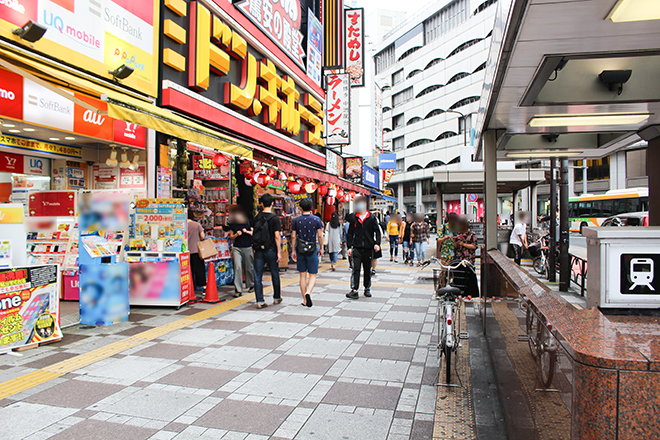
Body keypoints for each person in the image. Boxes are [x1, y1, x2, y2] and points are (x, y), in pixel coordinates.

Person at [345, 197, 381, 299]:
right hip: (356, 248)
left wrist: (377, 243)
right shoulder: (353, 218)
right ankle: (354, 290)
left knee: (367, 269)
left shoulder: (372, 218)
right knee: (355, 269)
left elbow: (377, 232)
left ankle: (367, 288)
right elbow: (350, 233)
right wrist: (349, 247)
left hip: (368, 249)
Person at [291, 199, 324, 307]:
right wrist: (321, 248)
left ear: (300, 208)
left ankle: (305, 300)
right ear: (311, 207)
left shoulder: (296, 220)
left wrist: (293, 250)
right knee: (313, 275)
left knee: (302, 275)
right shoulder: (316, 219)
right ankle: (308, 292)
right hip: (312, 249)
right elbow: (320, 235)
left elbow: (293, 236)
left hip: (300, 250)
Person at [252, 193, 282, 309]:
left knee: (258, 275)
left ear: (261, 204)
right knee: (274, 273)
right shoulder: (275, 219)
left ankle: (260, 301)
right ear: (272, 204)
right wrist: (279, 252)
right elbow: (277, 236)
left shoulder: (256, 218)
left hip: (259, 250)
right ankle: (276, 298)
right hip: (271, 250)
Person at [225, 205, 254, 298]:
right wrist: (236, 235)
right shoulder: (233, 223)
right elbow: (231, 236)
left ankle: (251, 285)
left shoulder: (249, 221)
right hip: (236, 247)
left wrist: (246, 232)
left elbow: (253, 233)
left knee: (249, 267)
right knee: (237, 267)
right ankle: (238, 289)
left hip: (248, 246)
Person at [454, 217, 479, 299]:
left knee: (469, 276)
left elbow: (474, 246)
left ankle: (470, 294)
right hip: (459, 258)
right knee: (459, 275)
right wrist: (455, 243)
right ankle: (459, 294)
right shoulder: (458, 234)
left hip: (469, 258)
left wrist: (463, 244)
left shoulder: (472, 234)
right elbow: (455, 247)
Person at [187, 211, 206, 295]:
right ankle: (203, 287)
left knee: (188, 270)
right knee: (199, 269)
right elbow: (202, 236)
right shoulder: (197, 225)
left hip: (185, 252)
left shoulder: (181, 225)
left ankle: (188, 287)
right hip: (196, 250)